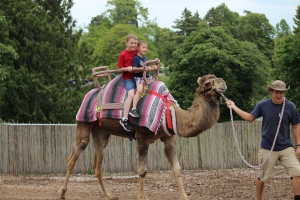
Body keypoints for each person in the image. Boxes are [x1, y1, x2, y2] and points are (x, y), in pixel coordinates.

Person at [225, 80, 300, 200]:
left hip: (286, 147)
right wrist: (234, 107)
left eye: (281, 92)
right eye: (276, 92)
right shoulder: (263, 105)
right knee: (262, 177)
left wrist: (299, 145)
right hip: (267, 147)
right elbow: (250, 118)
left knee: (298, 171)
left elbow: (296, 126)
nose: (279, 95)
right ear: (271, 91)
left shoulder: (290, 106)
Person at [118, 33, 138, 132]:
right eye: (131, 43)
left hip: (137, 77)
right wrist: (127, 68)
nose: (133, 45)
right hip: (128, 78)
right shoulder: (123, 55)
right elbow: (120, 68)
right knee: (131, 95)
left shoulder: (137, 51)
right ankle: (124, 118)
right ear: (126, 42)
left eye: (135, 43)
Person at [128, 40, 152, 118]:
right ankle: (134, 109)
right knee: (139, 90)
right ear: (138, 48)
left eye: (146, 48)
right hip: (139, 77)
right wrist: (142, 69)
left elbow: (148, 65)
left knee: (153, 84)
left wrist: (152, 66)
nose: (145, 49)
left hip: (146, 76)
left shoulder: (144, 58)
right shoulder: (136, 58)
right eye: (143, 47)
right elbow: (135, 68)